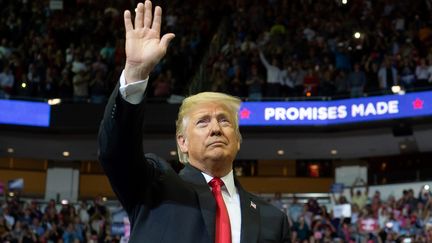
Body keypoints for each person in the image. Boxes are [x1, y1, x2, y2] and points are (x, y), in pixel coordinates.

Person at [98, 1, 290, 243]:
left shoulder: (274, 219)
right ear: (183, 142)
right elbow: (115, 152)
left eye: (224, 121)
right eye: (203, 122)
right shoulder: (153, 186)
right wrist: (135, 74)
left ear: (238, 141)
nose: (216, 128)